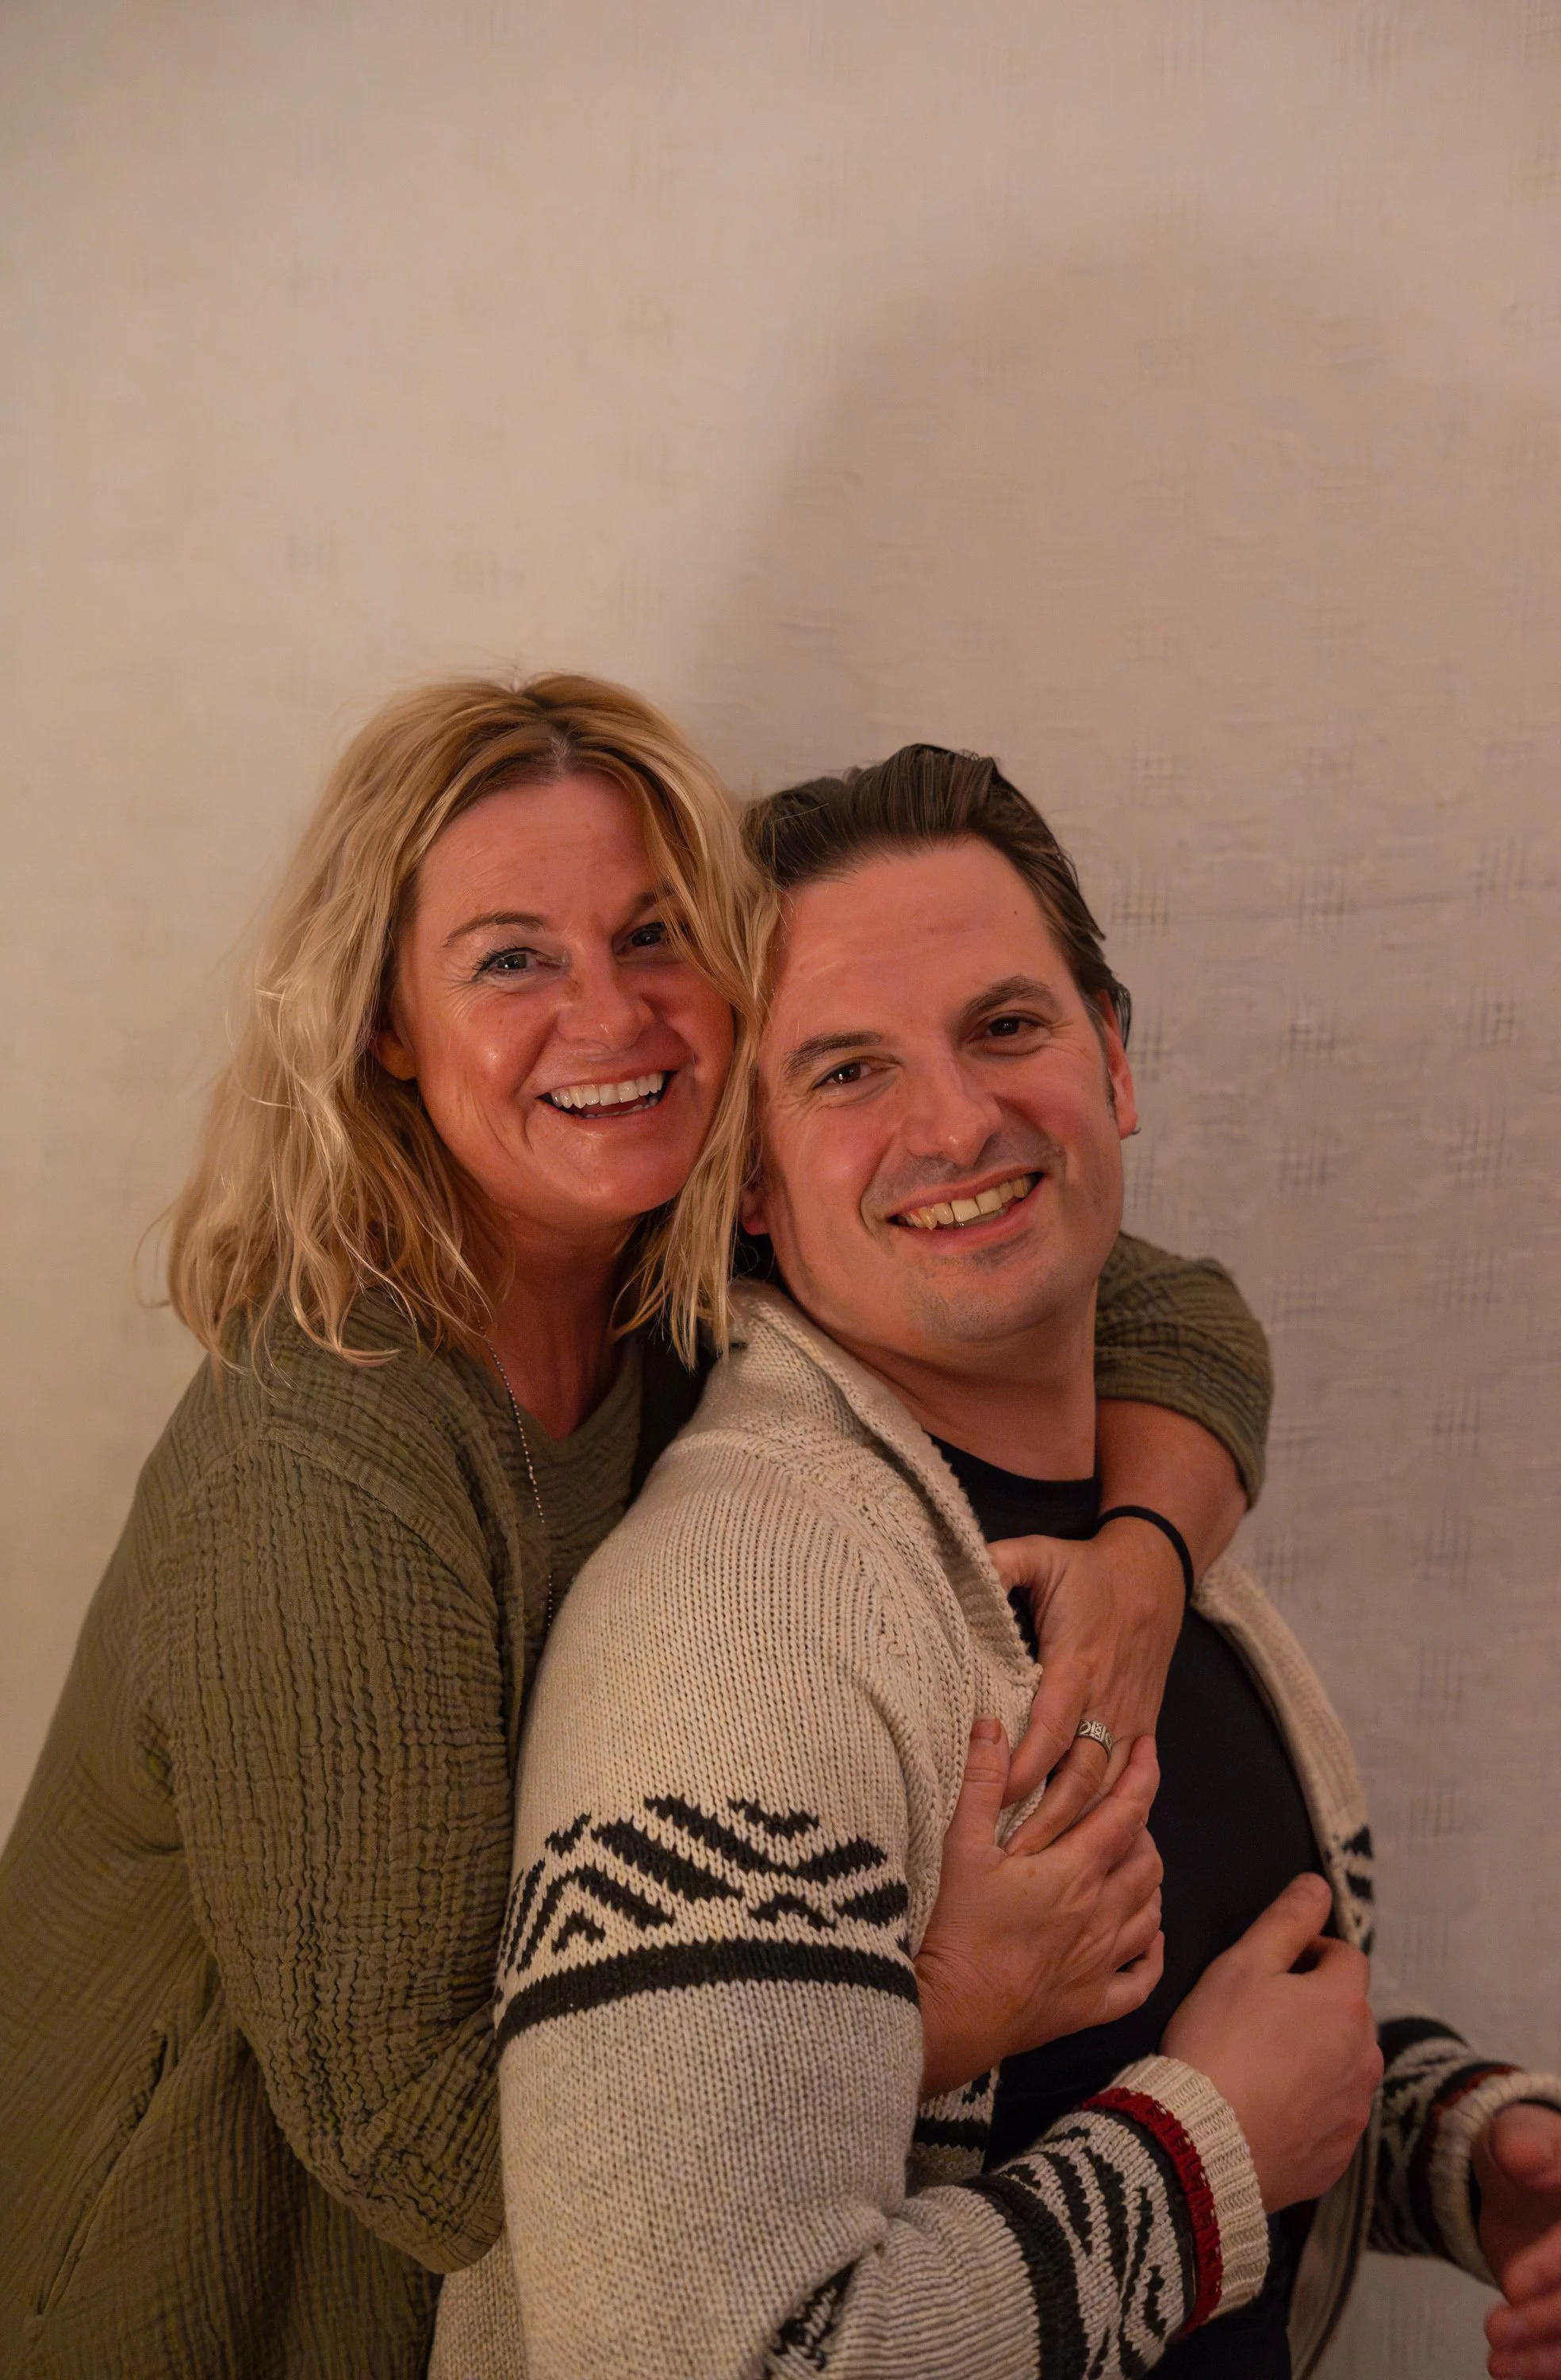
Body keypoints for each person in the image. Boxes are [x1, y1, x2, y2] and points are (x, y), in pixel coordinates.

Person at [0, 680, 1269, 2380]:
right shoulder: (323, 1465)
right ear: (384, 1020)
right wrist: (955, 1998)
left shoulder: (672, 1275)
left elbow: (1167, 1310)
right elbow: (413, 2142)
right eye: (513, 958)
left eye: (655, 935)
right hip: (195, 2278)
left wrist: (1144, 1561)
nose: (611, 1013)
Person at [456, 745, 1561, 2380]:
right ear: (746, 1180)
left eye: (1006, 1027)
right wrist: (1210, 2168)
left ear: (1113, 1060)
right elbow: (689, 2351)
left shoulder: (1140, 1530)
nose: (958, 1120)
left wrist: (1469, 2156)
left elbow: (1195, 2010)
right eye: (845, 1072)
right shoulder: (740, 1624)